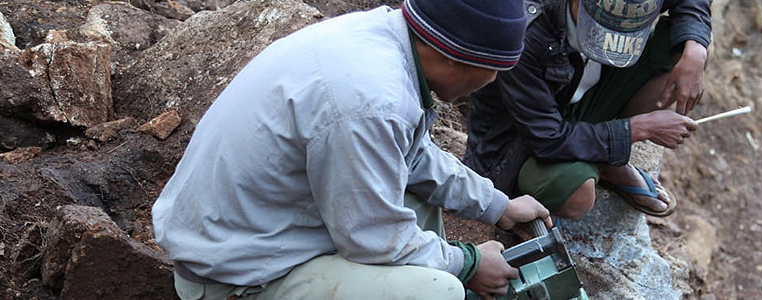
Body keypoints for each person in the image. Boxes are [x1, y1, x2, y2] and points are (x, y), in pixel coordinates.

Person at [150, 0, 552, 299]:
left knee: (415, 193)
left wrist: (498, 206)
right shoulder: (371, 102)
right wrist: (468, 264)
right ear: (454, 58)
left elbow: (412, 157)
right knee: (435, 291)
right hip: (235, 276)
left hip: (254, 231)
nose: (495, 79)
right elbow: (375, 238)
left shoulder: (384, 41)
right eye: (494, 68)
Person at [464, 0, 711, 220]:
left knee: (681, 47)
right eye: (604, 27)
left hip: (574, 98)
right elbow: (546, 140)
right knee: (577, 193)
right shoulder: (524, 28)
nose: (611, 39)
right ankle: (602, 159)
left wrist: (696, 47)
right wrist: (637, 129)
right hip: (522, 142)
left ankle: (606, 156)